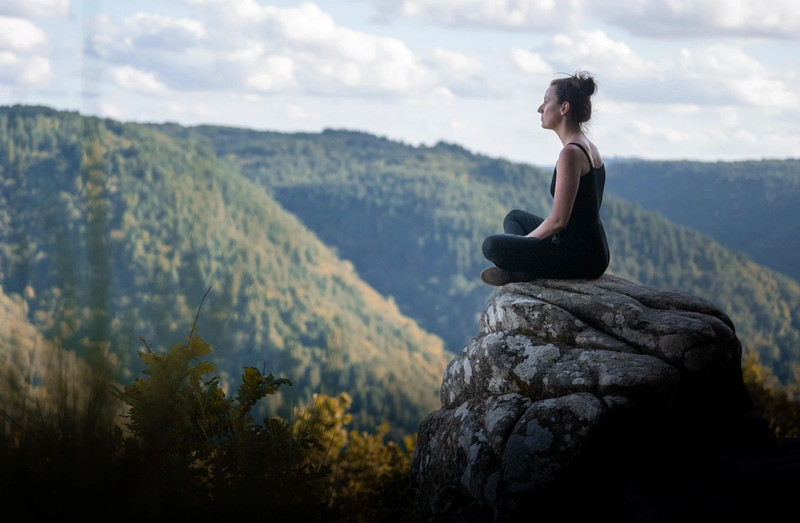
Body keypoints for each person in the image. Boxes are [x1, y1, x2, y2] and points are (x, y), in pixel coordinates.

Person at [481, 71, 609, 286]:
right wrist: (524, 247)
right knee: (514, 218)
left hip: (580, 256)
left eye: (546, 101)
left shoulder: (571, 153)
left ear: (564, 108)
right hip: (591, 247)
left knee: (491, 246)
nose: (540, 108)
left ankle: (521, 269)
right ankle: (523, 268)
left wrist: (522, 248)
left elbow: (559, 221)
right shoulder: (587, 146)